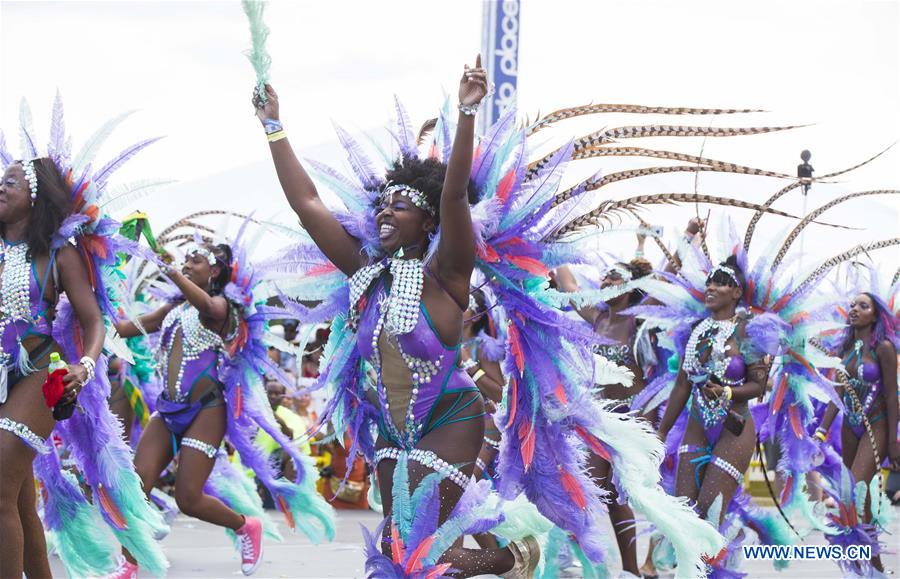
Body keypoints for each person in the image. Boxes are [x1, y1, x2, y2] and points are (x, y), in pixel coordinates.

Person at [255, 55, 541, 577]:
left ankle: (507, 557)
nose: (385, 211)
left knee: (416, 551)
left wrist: (468, 113)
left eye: (402, 205)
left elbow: (454, 194)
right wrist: (274, 126)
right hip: (391, 428)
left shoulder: (449, 275)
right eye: (382, 205)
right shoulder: (368, 273)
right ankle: (506, 559)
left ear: (428, 219)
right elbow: (307, 203)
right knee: (394, 549)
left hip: (450, 419)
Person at [815, 291, 899, 574]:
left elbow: (891, 395)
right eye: (852, 305)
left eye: (863, 306)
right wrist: (822, 430)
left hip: (877, 422)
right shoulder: (844, 347)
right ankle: (872, 568)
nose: (855, 309)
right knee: (856, 499)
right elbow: (837, 391)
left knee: (854, 488)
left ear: (875, 315)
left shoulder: (884, 348)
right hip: (851, 425)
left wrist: (893, 442)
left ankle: (870, 566)